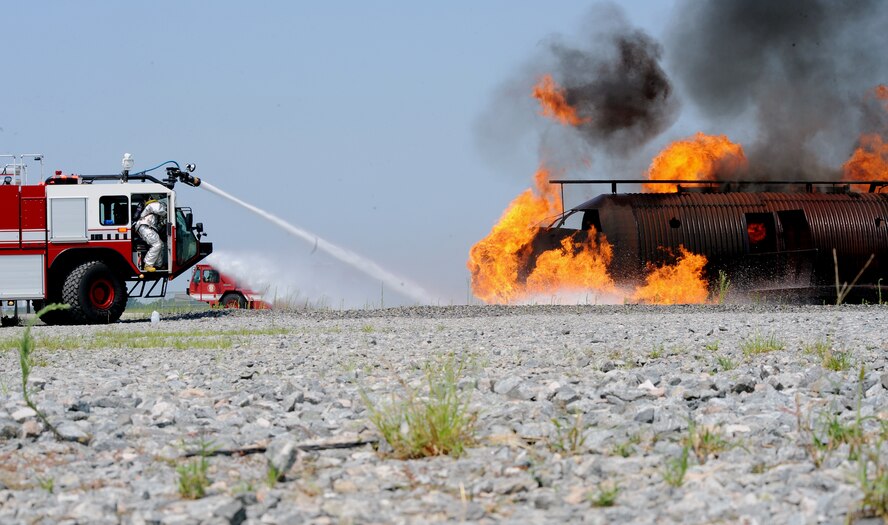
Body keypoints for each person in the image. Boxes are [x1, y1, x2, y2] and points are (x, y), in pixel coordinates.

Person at [135, 195, 168, 272]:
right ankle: (148, 264)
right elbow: (160, 211)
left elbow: (157, 224)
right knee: (157, 244)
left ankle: (158, 265)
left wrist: (163, 223)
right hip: (145, 227)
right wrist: (169, 212)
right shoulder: (153, 204)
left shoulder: (150, 207)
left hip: (147, 227)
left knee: (161, 244)